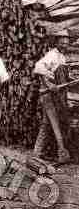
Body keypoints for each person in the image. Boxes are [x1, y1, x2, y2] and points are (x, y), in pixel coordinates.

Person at [32, 30, 72, 164]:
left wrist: (71, 78)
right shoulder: (52, 55)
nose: (65, 45)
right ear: (56, 42)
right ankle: (62, 152)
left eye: (67, 43)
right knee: (54, 123)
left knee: (47, 124)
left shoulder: (62, 57)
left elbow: (60, 75)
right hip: (48, 95)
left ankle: (37, 153)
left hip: (57, 95)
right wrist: (48, 84)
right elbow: (38, 67)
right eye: (62, 42)